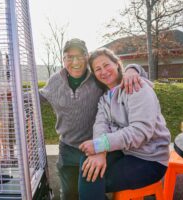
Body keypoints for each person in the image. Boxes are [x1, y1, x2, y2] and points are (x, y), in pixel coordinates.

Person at [39, 39, 147, 200]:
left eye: (79, 56)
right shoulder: (55, 80)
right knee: (69, 194)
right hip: (67, 149)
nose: (74, 62)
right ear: (63, 59)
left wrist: (134, 69)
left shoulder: (97, 77)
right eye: (69, 57)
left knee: (93, 191)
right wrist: (14, 96)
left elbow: (119, 78)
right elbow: (40, 96)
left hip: (96, 148)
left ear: (86, 57)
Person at [78, 48, 171, 200]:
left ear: (117, 64)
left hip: (150, 160)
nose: (104, 71)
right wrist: (99, 151)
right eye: (98, 69)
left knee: (92, 178)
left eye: (106, 65)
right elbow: (100, 125)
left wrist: (101, 145)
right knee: (88, 165)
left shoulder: (136, 87)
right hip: (126, 153)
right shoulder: (104, 99)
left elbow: (140, 132)